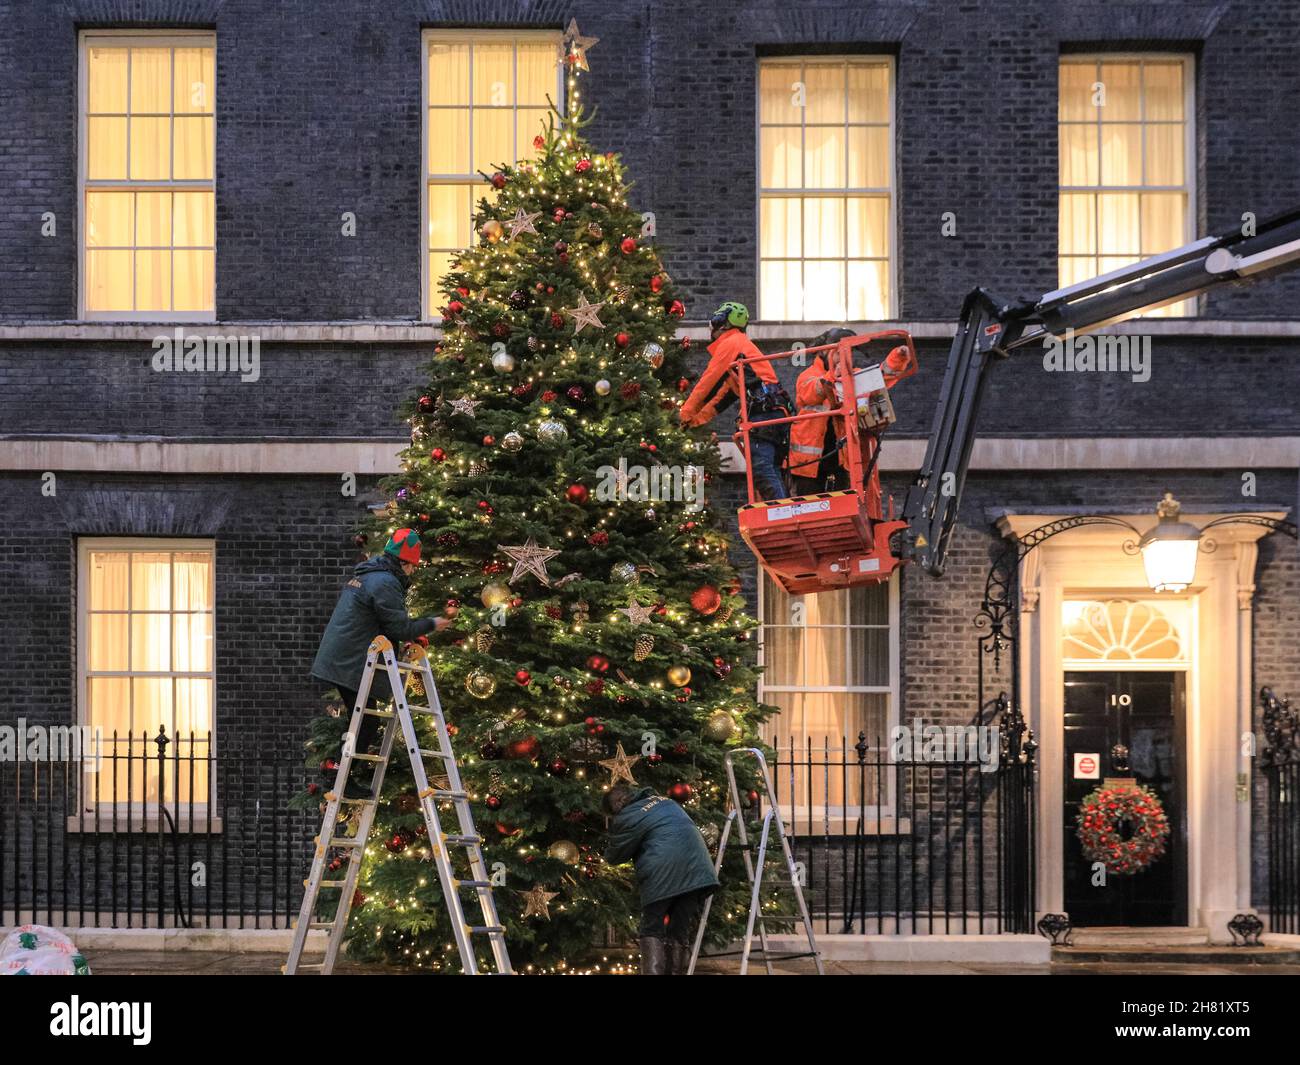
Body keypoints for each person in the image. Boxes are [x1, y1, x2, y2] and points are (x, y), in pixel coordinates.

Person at [311, 528, 456, 790]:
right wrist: (434, 623)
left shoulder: (371, 576)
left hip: (342, 657)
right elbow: (400, 628)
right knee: (366, 722)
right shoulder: (386, 583)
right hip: (350, 662)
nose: (413, 571)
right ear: (404, 562)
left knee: (362, 720)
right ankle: (340, 777)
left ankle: (338, 772)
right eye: (413, 566)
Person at [678, 300, 792, 501]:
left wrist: (684, 414)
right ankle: (783, 512)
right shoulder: (741, 347)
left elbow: (708, 383)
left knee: (763, 470)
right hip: (774, 410)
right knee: (770, 468)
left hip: (763, 412)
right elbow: (722, 396)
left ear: (723, 322)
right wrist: (694, 420)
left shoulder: (731, 343)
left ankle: (782, 515)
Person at [603, 784, 720, 975]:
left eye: (612, 813)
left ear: (618, 802)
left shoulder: (629, 815)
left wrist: (607, 849)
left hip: (664, 872)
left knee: (651, 927)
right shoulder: (666, 801)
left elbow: (616, 855)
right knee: (679, 928)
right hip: (697, 870)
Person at [787, 327, 857, 496]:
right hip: (809, 464)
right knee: (809, 510)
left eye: (848, 353)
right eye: (840, 353)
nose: (844, 359)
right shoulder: (808, 375)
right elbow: (811, 392)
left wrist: (896, 360)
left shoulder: (849, 375)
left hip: (838, 458)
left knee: (843, 510)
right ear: (826, 351)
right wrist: (832, 376)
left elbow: (874, 380)